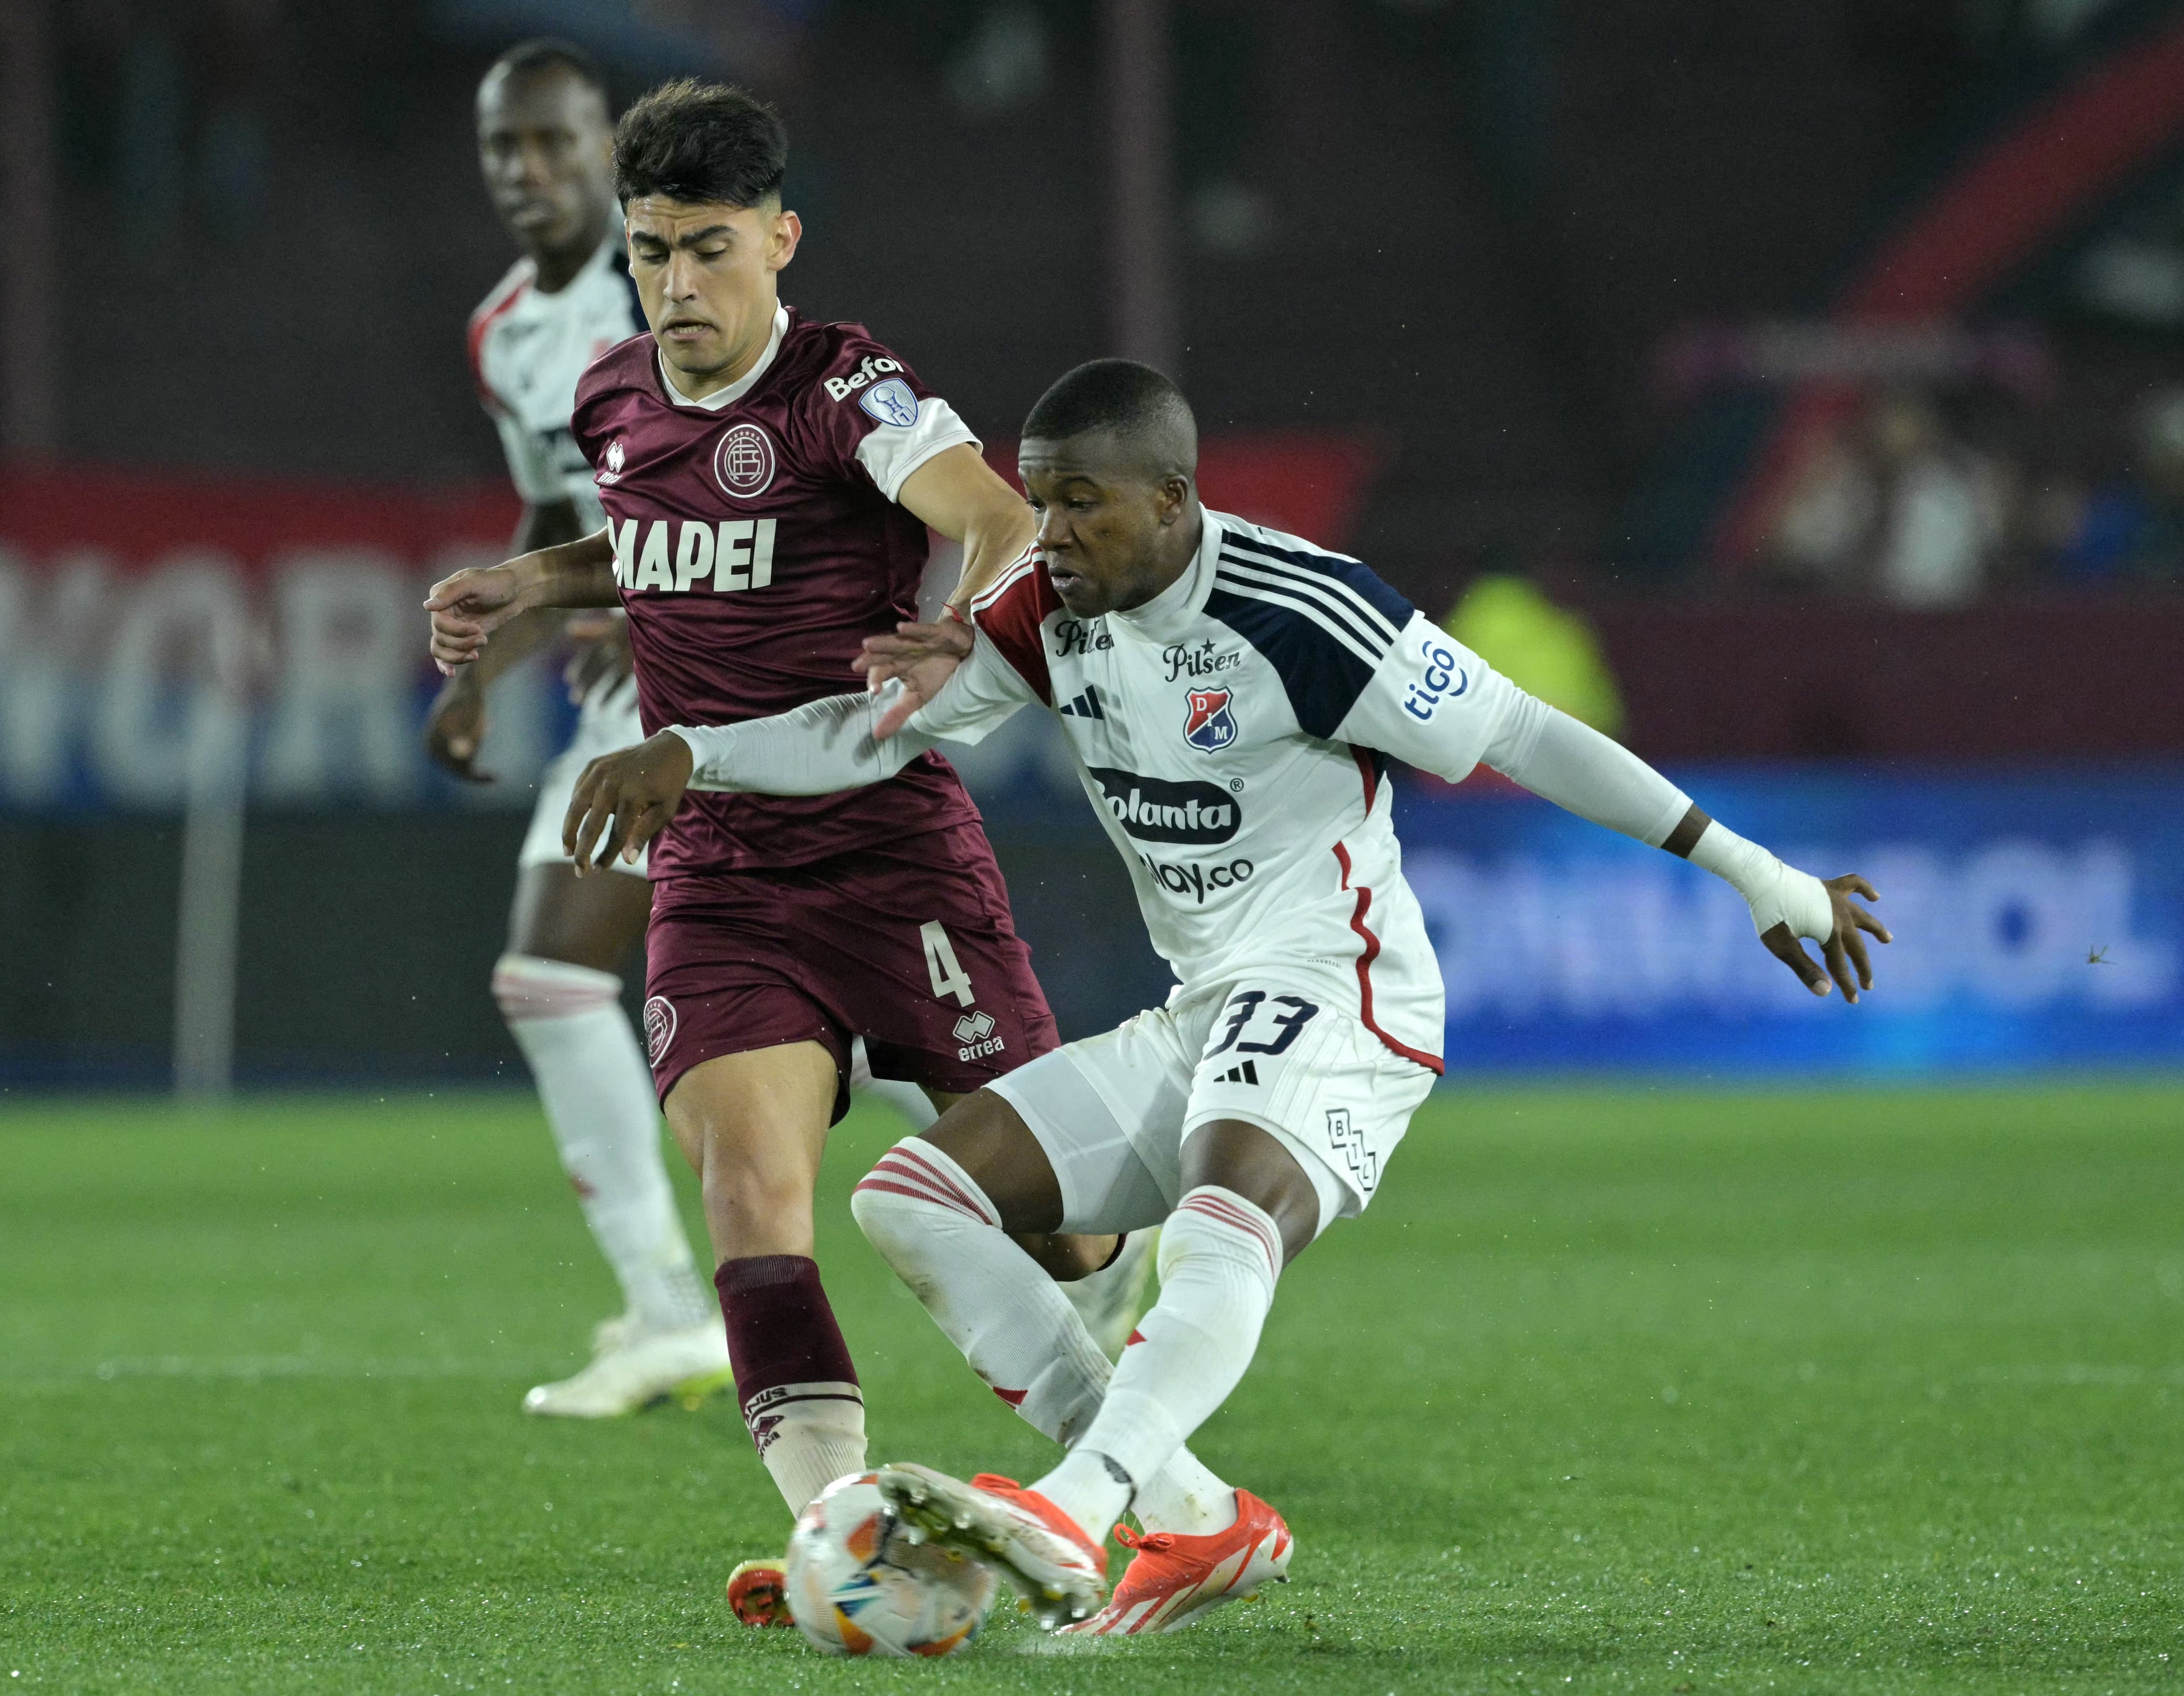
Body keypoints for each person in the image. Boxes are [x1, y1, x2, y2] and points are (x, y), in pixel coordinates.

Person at [565, 359, 1890, 1633]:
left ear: (1173, 499)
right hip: (1205, 1005)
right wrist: (694, 752)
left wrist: (1757, 873)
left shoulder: (1304, 610)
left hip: (1342, 989)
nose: (1050, 530)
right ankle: (1194, 1515)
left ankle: (1078, 1510)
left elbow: (1524, 733)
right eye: (1040, 497)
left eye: (1082, 501)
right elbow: (872, 728)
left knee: (1217, 1217)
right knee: (913, 1201)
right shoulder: (1045, 614)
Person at [422, 80, 1145, 1621]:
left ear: (779, 240)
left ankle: (1113, 1316)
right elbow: (647, 537)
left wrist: (965, 621)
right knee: (753, 1196)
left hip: (893, 857)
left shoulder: (847, 388)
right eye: (651, 251)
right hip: (719, 868)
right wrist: (531, 584)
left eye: (708, 248)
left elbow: (994, 516)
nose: (678, 285)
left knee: (1061, 1225)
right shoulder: (612, 395)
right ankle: (844, 1539)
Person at [420, 39, 731, 1421]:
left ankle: (672, 1309)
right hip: (633, 685)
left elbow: (754, 465)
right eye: (506, 146)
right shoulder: (505, 333)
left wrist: (661, 582)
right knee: (801, 990)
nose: (529, 170)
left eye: (555, 142)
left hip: (729, 670)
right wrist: (486, 664)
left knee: (563, 979)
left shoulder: (673, 282)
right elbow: (560, 509)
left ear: (608, 149)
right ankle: (1075, 1230)